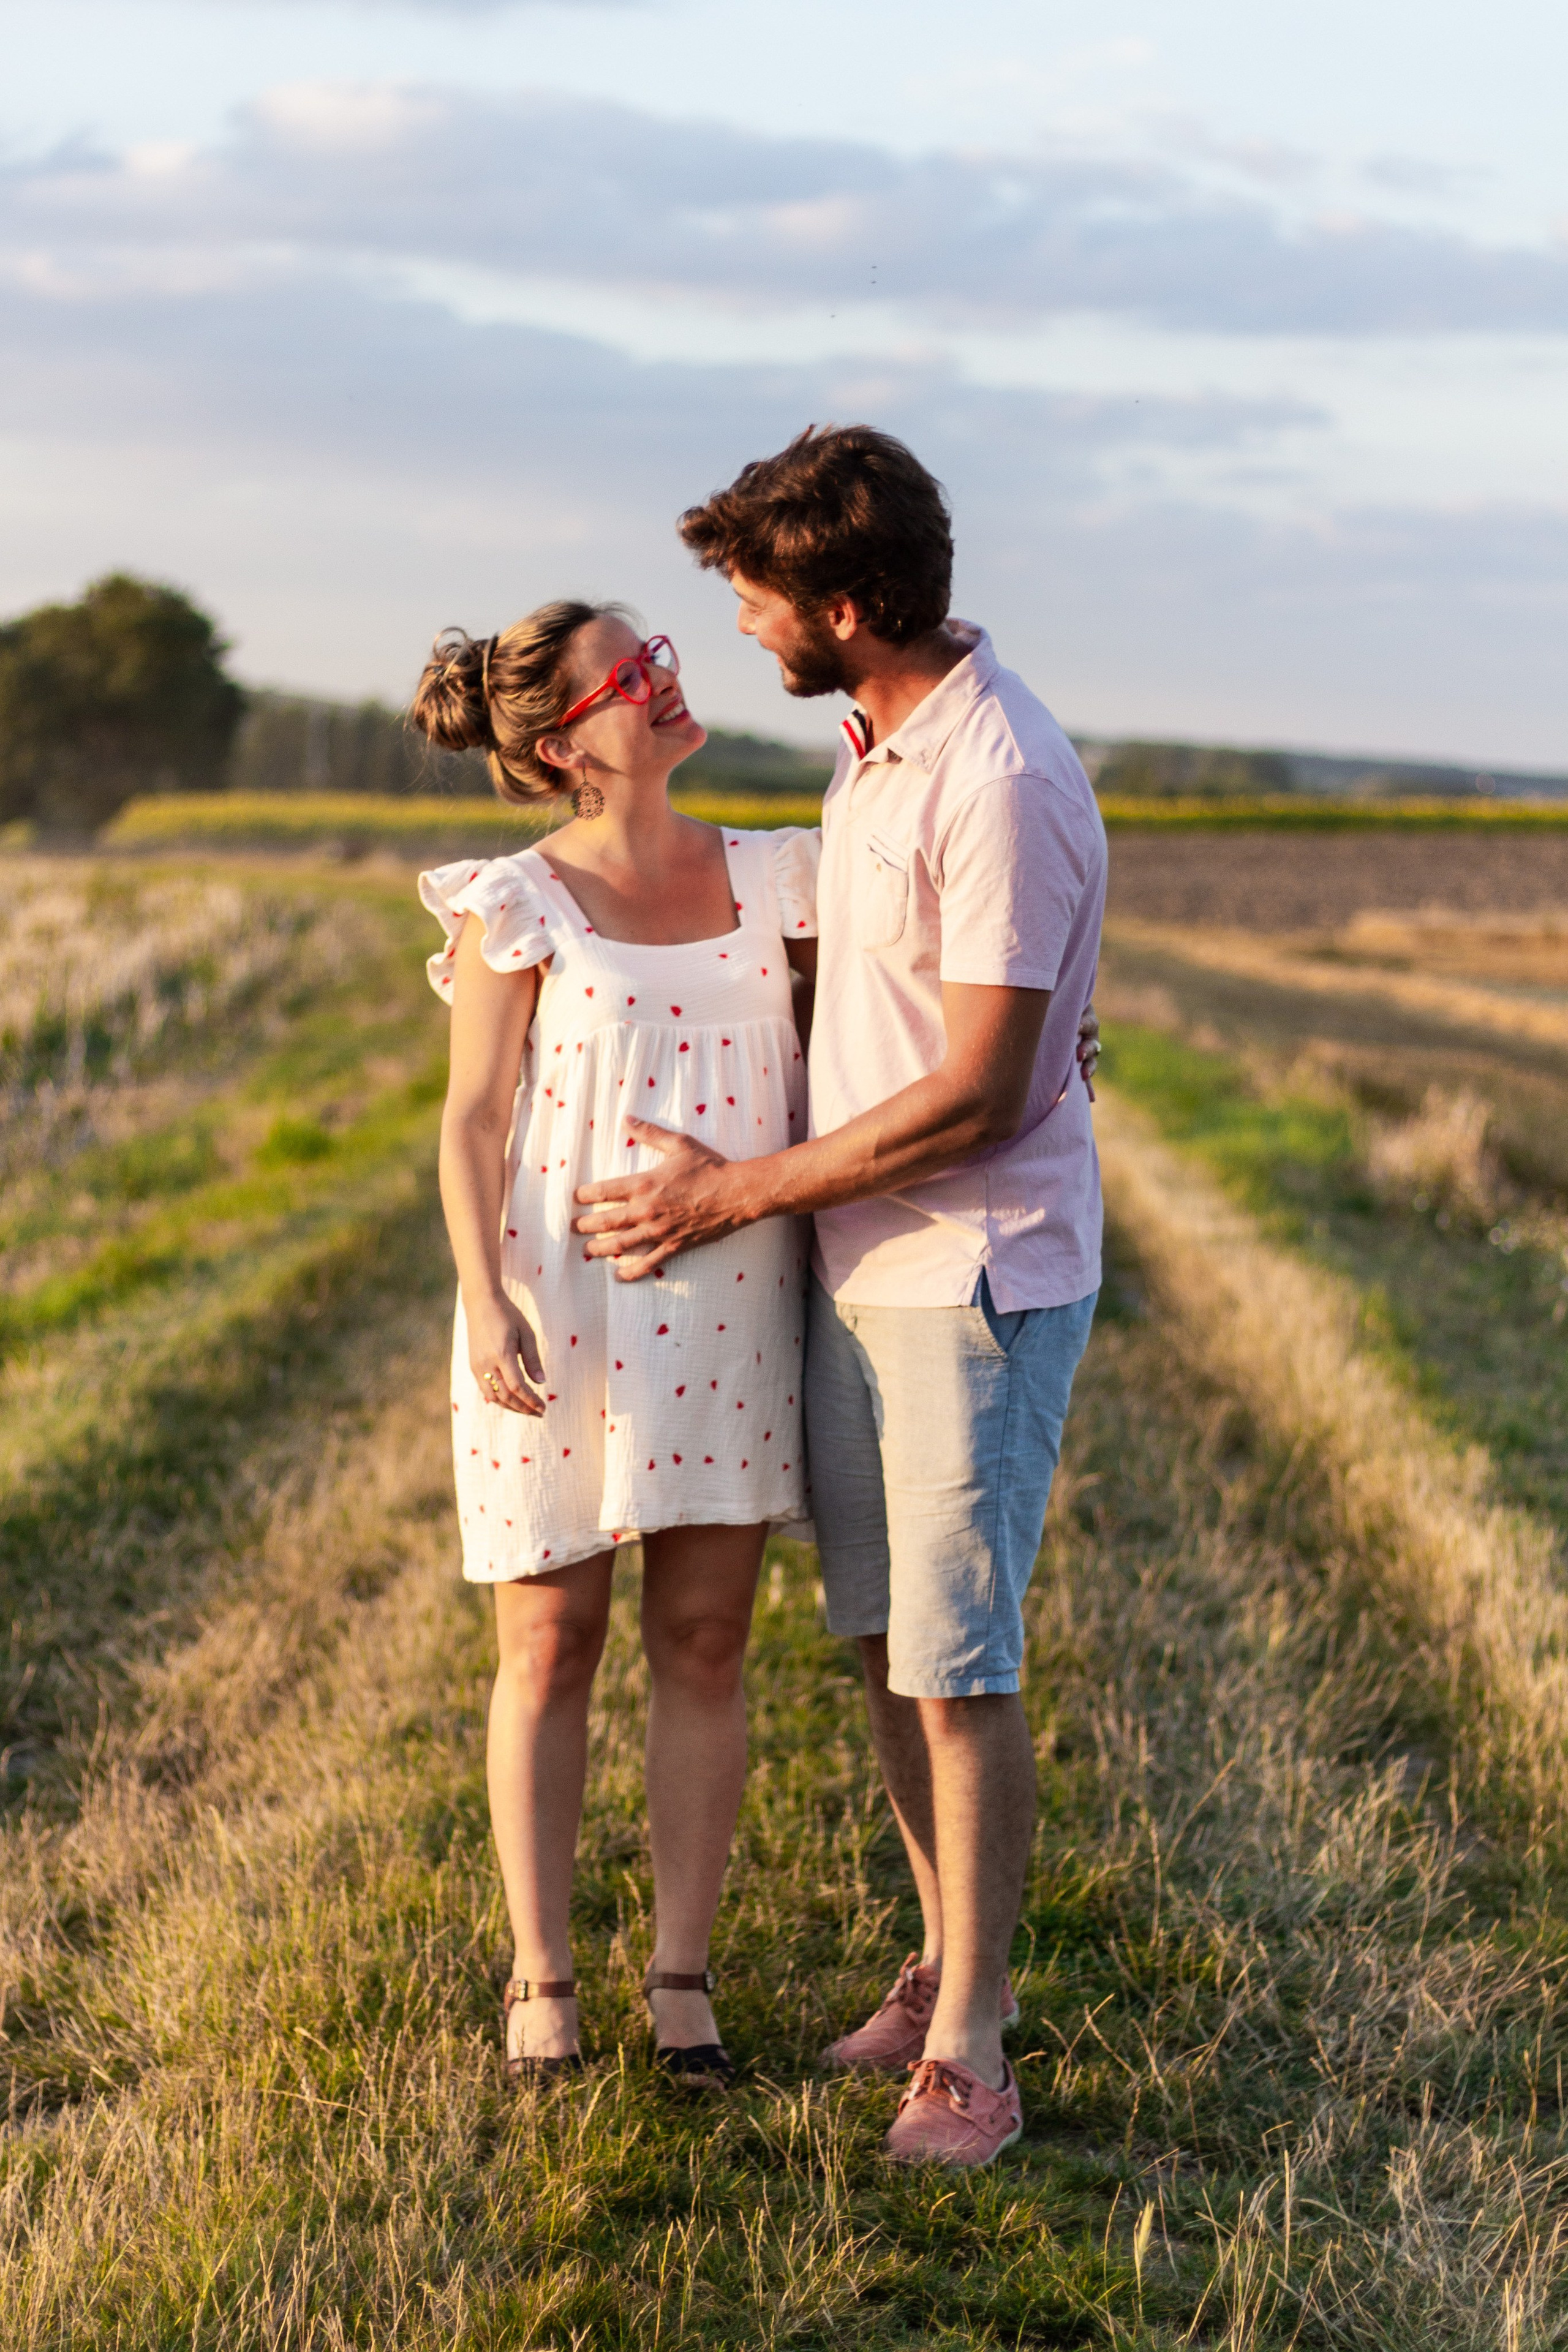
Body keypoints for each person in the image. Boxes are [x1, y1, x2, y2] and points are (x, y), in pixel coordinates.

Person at [573, 427, 1107, 2168]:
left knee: (961, 1664)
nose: (742, 628)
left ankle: (977, 2052)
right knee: (887, 1639)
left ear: (852, 603)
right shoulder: (876, 751)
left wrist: (727, 1190)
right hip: (858, 1266)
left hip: (969, 1276)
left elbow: (979, 1095)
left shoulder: (999, 775)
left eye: (759, 597)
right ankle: (944, 1953)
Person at [412, 602, 818, 2086]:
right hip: (551, 1305)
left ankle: (683, 1981)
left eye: (656, 650)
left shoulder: (781, 874)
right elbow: (469, 1118)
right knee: (548, 1640)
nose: (667, 677)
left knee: (705, 1641)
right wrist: (481, 1294)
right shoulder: (512, 901)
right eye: (633, 670)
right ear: (564, 740)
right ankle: (542, 1979)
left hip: (725, 1294)